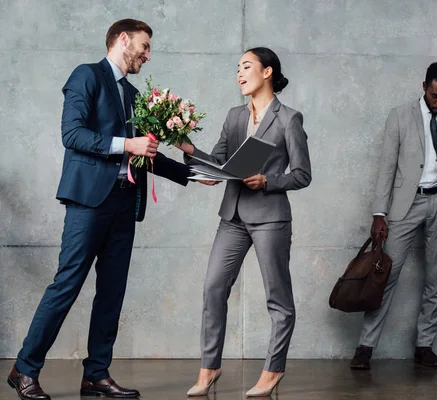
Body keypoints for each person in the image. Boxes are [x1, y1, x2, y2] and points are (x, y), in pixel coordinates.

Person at [6, 19, 192, 400]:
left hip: (126, 202)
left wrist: (193, 173)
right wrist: (128, 145)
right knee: (67, 284)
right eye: (143, 45)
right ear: (123, 40)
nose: (147, 54)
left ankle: (96, 375)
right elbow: (72, 134)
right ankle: (24, 368)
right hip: (89, 202)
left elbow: (145, 153)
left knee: (112, 291)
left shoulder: (134, 94)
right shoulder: (86, 76)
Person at [175, 47, 311, 397]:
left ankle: (273, 370)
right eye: (237, 68)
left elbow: (302, 174)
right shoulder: (235, 116)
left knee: (278, 299)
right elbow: (218, 160)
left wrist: (268, 181)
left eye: (246, 66)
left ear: (267, 72)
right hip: (233, 215)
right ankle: (209, 368)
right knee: (213, 289)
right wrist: (190, 152)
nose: (239, 73)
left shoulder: (289, 118)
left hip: (270, 218)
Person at [350, 62, 437, 370]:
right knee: (384, 276)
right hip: (405, 205)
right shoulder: (400, 116)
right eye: (435, 96)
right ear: (424, 86)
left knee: (436, 279)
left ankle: (424, 345)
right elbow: (386, 167)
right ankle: (365, 347)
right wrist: (379, 214)